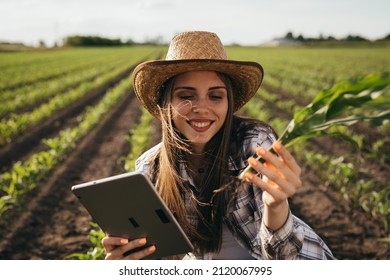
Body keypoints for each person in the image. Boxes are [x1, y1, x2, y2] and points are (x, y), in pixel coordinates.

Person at [101, 31, 334, 260]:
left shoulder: (253, 144)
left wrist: (276, 207)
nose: (202, 107)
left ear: (228, 102)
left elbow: (282, 258)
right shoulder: (150, 168)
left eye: (215, 96)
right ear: (167, 104)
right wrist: (127, 263)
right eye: (186, 96)